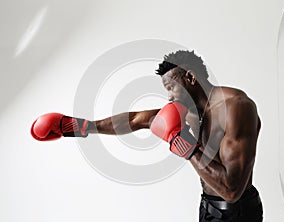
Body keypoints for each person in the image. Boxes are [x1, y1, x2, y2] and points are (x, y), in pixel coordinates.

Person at [31, 50, 263, 221]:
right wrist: (75, 127)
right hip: (208, 208)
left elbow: (231, 190)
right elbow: (135, 120)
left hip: (239, 213)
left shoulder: (236, 108)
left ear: (191, 78)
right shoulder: (191, 111)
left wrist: (181, 143)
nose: (169, 98)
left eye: (171, 88)